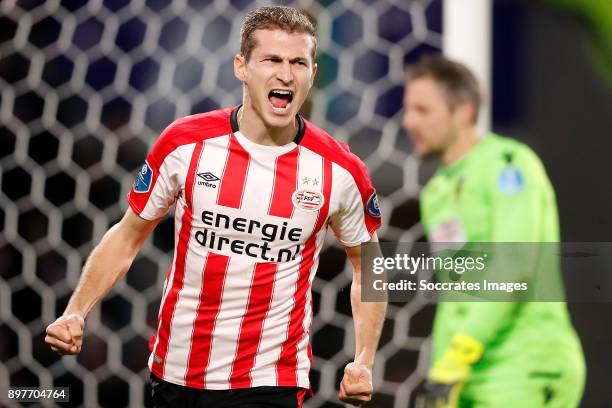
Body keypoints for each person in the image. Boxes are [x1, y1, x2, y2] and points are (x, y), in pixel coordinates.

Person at [45, 6, 386, 407]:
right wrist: (76, 311)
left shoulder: (340, 171)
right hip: (177, 372)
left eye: (298, 62)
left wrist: (364, 360)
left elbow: (369, 266)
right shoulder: (185, 144)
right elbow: (127, 235)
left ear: (312, 74)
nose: (286, 74)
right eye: (271, 60)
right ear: (241, 67)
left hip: (271, 379)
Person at [403, 55, 585, 407]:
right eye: (408, 110)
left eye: (423, 111)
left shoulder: (508, 164)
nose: (409, 122)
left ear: (463, 112)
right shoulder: (437, 190)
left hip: (525, 367)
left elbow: (513, 264)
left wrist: (460, 351)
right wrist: (444, 366)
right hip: (469, 373)